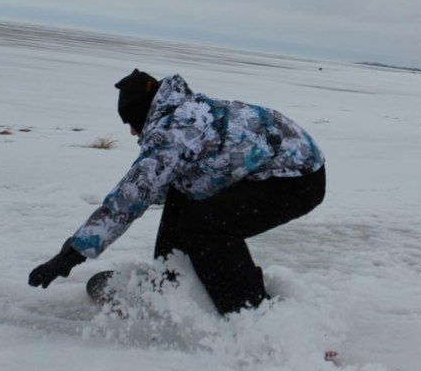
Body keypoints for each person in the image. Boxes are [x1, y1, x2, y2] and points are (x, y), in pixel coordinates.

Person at [28, 69, 326, 315]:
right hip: (276, 168)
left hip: (296, 180)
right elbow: (159, 185)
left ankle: (249, 314)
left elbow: (132, 196)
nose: (132, 132)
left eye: (131, 123)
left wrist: (72, 254)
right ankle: (170, 282)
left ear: (143, 113)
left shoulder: (175, 132)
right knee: (183, 193)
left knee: (205, 225)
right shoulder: (181, 110)